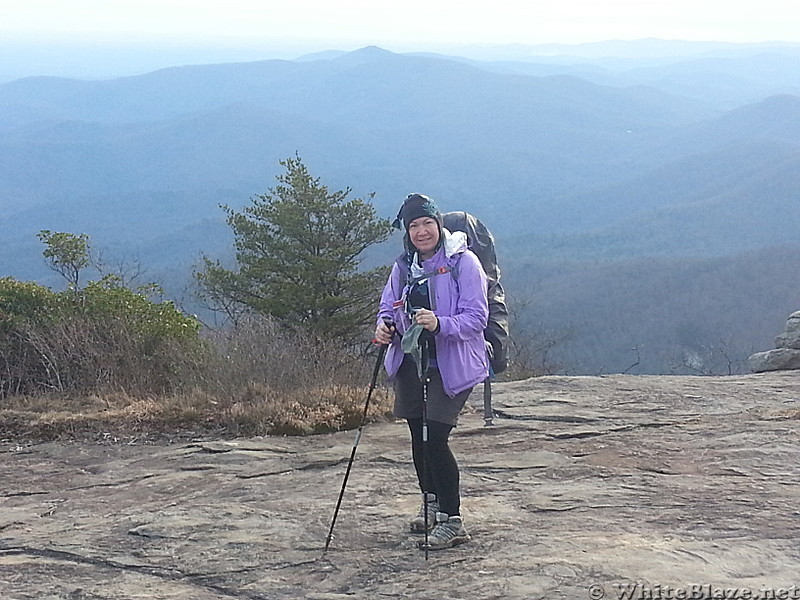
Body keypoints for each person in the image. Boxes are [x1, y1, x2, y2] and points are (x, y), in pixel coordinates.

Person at [375, 193, 489, 550]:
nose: (422, 231)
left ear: (439, 225)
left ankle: (452, 520)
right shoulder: (403, 266)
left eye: (427, 223)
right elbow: (388, 307)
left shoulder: (463, 262)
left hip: (451, 365)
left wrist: (440, 324)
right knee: (417, 435)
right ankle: (431, 503)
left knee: (435, 437)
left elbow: (476, 318)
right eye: (414, 225)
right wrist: (384, 327)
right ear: (406, 231)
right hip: (412, 361)